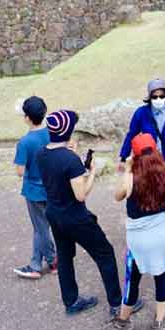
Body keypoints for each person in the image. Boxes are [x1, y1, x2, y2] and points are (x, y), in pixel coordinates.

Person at [36, 109, 135, 318]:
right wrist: (92, 173)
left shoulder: (42, 153)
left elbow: (58, 171)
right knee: (105, 253)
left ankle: (71, 301)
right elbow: (80, 195)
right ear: (68, 131)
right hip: (75, 217)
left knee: (64, 257)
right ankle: (117, 304)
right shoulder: (69, 159)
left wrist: (73, 157)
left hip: (54, 213)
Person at [107, 134, 165, 330]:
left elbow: (117, 196)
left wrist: (127, 169)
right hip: (163, 234)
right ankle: (159, 324)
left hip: (139, 241)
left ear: (134, 154)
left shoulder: (131, 178)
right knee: (161, 278)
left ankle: (123, 321)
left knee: (132, 280)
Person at [12, 96, 57, 280]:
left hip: (34, 190)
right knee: (43, 227)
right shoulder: (52, 134)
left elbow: (20, 171)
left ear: (27, 118)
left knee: (40, 228)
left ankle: (49, 261)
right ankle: (38, 263)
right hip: (52, 187)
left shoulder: (25, 142)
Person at [119, 78, 165, 170]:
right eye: (154, 97)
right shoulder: (141, 113)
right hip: (150, 163)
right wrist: (123, 157)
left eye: (162, 96)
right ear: (150, 98)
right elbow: (131, 135)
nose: (158, 99)